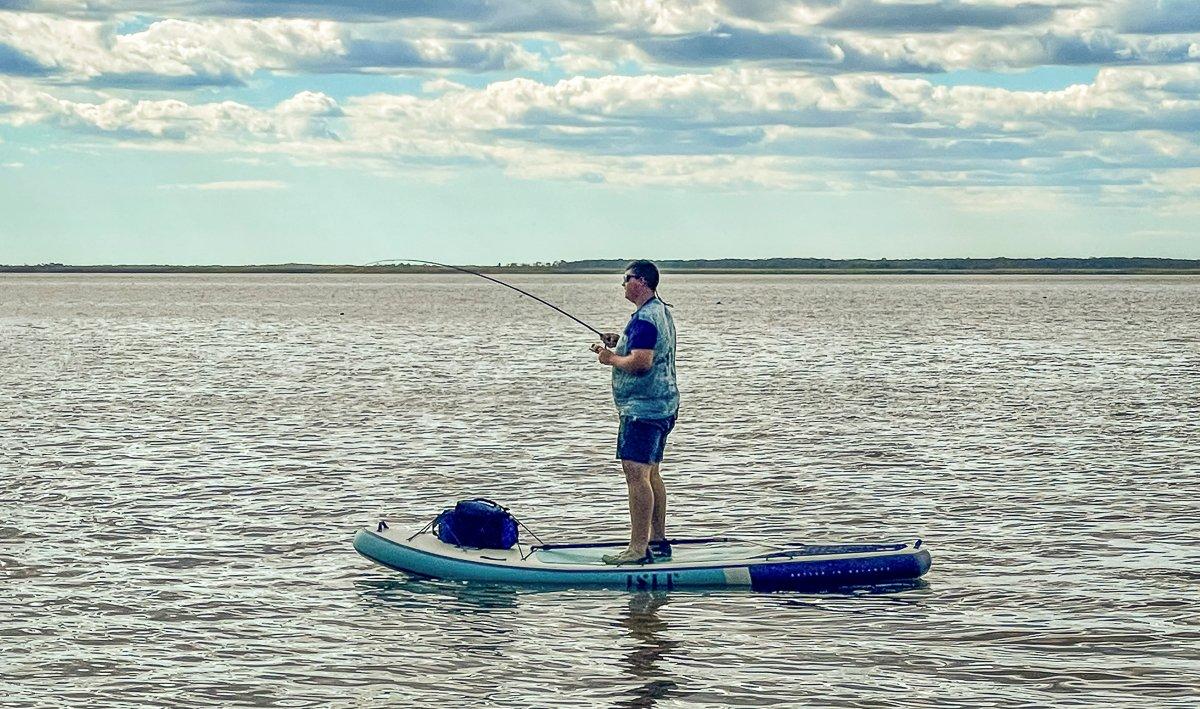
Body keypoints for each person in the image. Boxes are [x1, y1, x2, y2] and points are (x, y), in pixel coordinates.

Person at [590, 260, 679, 565]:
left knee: (636, 476)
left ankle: (638, 549)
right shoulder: (661, 311)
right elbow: (646, 348)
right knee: (651, 472)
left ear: (641, 282)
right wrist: (621, 342)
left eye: (626, 279)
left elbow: (641, 363)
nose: (623, 285)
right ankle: (658, 541)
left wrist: (609, 358)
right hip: (664, 404)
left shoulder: (644, 319)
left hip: (642, 410)